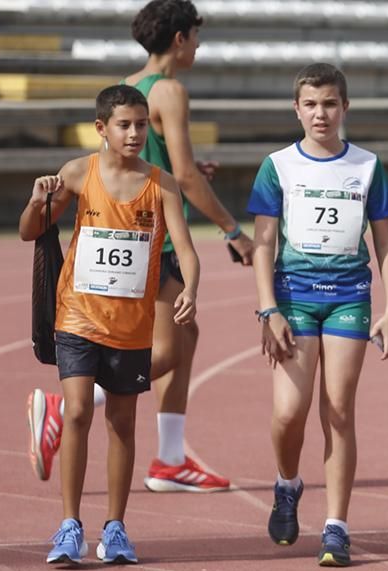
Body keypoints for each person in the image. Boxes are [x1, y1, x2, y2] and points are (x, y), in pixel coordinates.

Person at [26, 0, 250, 493]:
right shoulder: (169, 90)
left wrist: (176, 168)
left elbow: (150, 163)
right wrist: (233, 230)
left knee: (186, 337)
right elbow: (183, 176)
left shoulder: (131, 86)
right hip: (151, 237)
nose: (197, 46)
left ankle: (170, 458)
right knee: (165, 349)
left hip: (135, 228)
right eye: (195, 36)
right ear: (179, 38)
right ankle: (69, 405)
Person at [19, 84, 199, 565]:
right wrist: (37, 202)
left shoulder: (161, 184)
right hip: (77, 315)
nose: (135, 133)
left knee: (122, 422)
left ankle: (115, 528)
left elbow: (185, 249)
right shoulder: (78, 173)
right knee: (78, 411)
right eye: (124, 125)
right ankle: (69, 526)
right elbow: (29, 231)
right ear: (101, 128)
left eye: (141, 124)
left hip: (132, 325)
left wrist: (191, 289)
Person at [248, 63, 388, 566]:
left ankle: (337, 526)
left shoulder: (367, 165)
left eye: (330, 104)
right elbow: (263, 244)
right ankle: (287, 483)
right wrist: (268, 309)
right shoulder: (278, 166)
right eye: (311, 104)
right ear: (296, 109)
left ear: (345, 107)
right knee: (288, 412)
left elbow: (385, 244)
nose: (321, 113)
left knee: (338, 409)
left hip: (348, 297)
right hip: (293, 297)